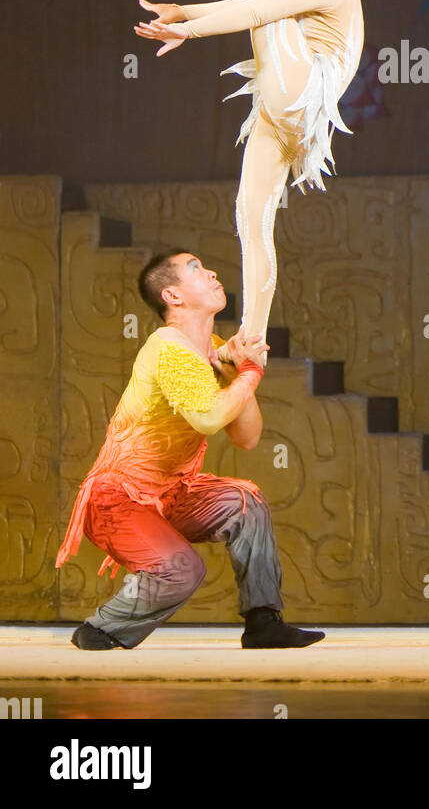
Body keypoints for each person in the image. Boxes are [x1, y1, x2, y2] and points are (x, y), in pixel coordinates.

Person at [134, 0, 367, 343]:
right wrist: (185, 12)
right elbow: (261, 13)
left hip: (301, 91)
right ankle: (253, 339)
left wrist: (188, 29)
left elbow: (259, 10)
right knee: (252, 219)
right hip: (287, 111)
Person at [56, 250, 324, 649]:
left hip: (171, 495)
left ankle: (263, 622)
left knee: (243, 501)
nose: (212, 271)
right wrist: (249, 375)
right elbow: (209, 419)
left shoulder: (212, 351)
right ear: (172, 296)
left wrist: (236, 372)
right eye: (195, 268)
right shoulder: (169, 347)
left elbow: (247, 437)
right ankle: (101, 628)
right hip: (117, 501)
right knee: (183, 570)